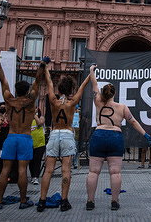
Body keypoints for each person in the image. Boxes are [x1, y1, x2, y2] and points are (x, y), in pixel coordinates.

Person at [86, 64, 151, 211]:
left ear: (103, 93)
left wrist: (92, 71)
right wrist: (146, 135)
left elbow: (94, 84)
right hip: (115, 137)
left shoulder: (97, 101)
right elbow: (133, 122)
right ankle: (114, 202)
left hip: (98, 135)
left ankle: (90, 202)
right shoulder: (122, 107)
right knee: (115, 172)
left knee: (93, 171)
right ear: (114, 94)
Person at [0, 50, 46, 210]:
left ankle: (0, 201)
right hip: (25, 138)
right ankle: (23, 201)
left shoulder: (9, 100)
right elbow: (37, 81)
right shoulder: (31, 101)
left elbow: (3, 80)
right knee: (23, 169)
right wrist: (42, 66)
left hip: (10, 137)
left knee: (5, 170)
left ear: (16, 90)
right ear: (27, 90)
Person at [37, 66, 91, 212]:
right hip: (67, 134)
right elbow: (83, 86)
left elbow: (48, 82)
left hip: (55, 133)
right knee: (66, 170)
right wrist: (90, 71)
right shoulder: (72, 102)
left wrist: (46, 69)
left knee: (48, 170)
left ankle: (42, 201)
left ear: (59, 89)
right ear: (70, 90)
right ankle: (64, 201)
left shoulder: (53, 101)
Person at [29, 107, 45, 185]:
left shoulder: (41, 118)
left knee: (37, 160)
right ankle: (32, 175)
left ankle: (36, 177)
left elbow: (39, 123)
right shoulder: (28, 120)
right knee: (31, 161)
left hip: (40, 143)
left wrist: (35, 115)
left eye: (35, 108)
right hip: (30, 143)